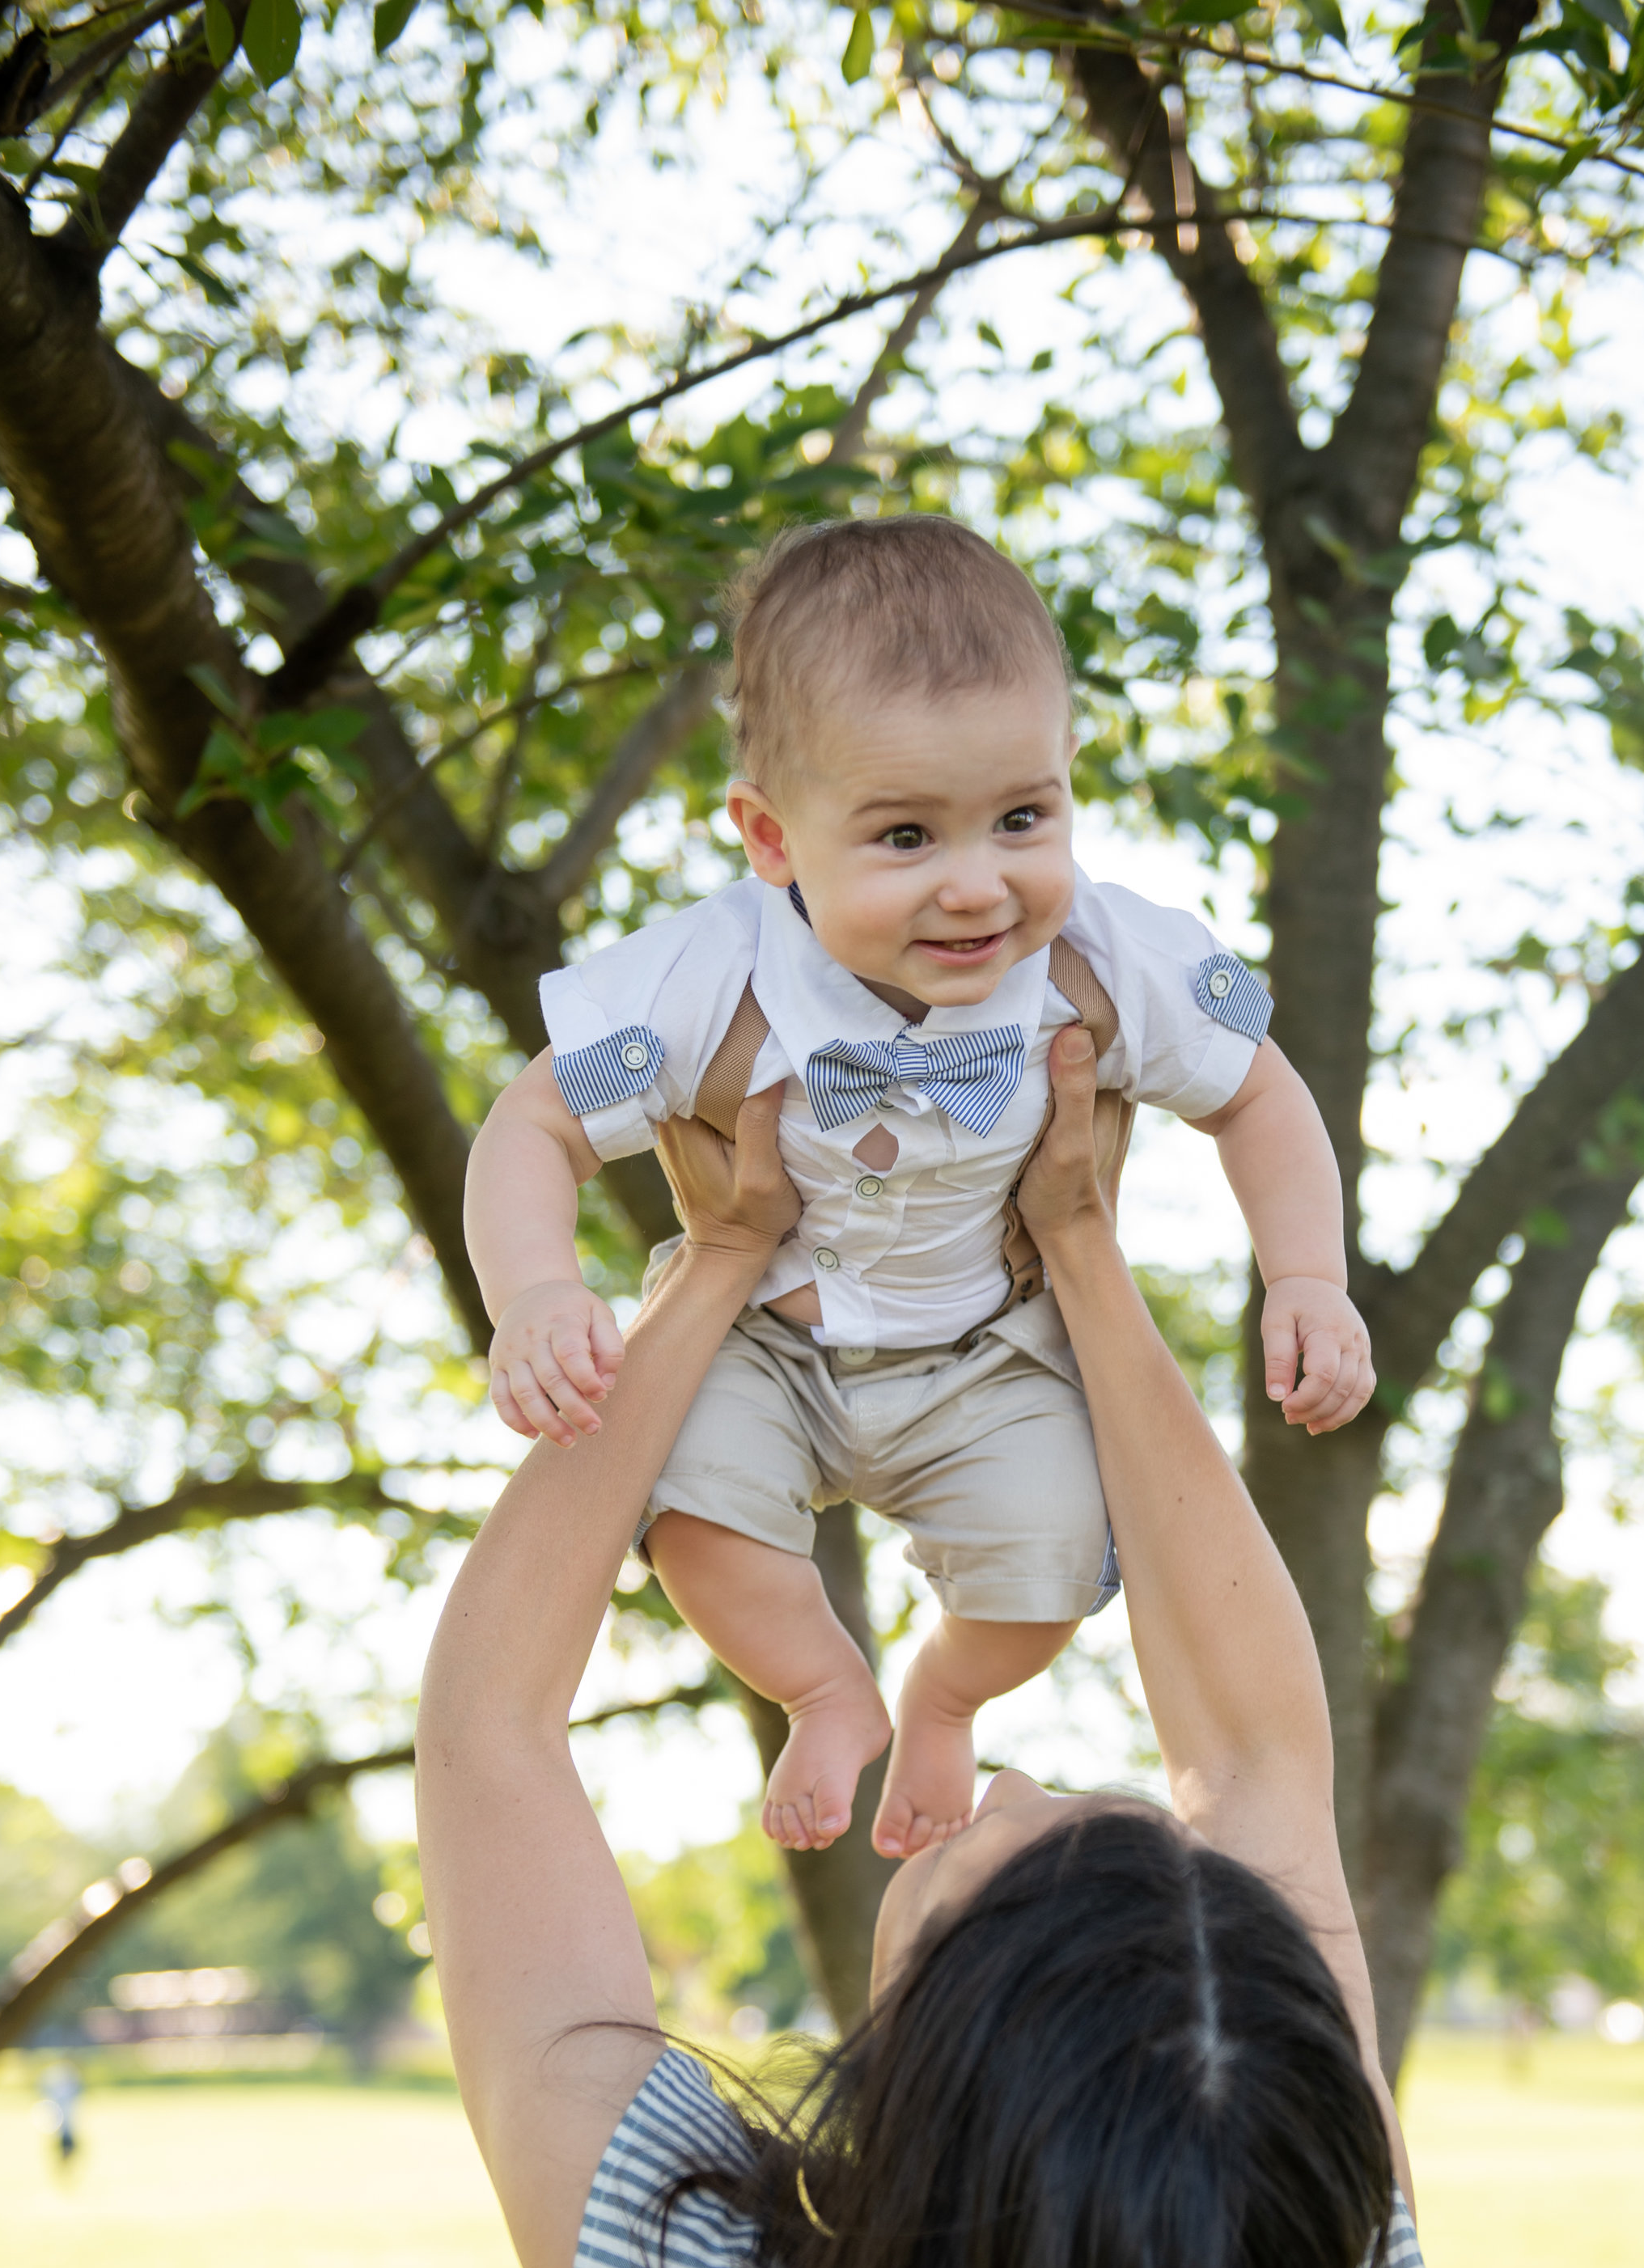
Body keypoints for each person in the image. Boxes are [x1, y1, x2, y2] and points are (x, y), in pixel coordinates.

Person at [419, 1034, 1476, 2268]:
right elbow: (1259, 1758)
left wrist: (712, 1258)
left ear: (934, 2065)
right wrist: (1076, 1243)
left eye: (1007, 1834)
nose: (986, 1782)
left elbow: (490, 1736)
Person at [463, 515, 1375, 1863]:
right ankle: (823, 1686)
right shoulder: (704, 973)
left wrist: (1307, 1274)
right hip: (763, 1340)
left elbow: (1259, 1090)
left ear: (1069, 782)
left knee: (1056, 1563)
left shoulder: (1114, 959)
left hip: (991, 1350)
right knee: (690, 1517)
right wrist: (538, 1291)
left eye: (1023, 817)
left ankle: (941, 1699)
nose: (976, 884)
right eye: (905, 836)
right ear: (773, 838)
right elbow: (532, 1123)